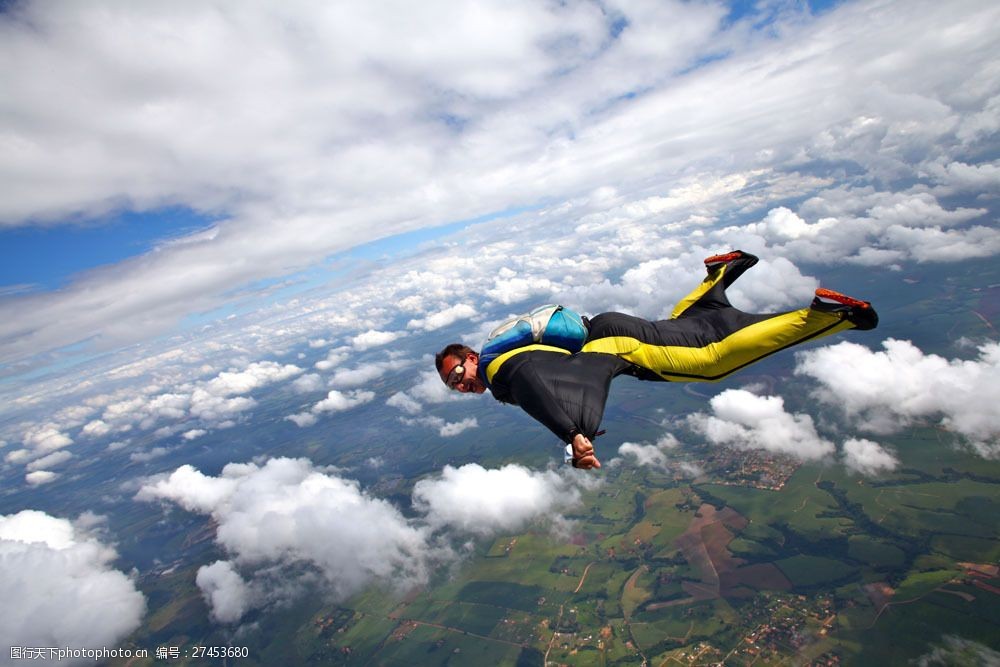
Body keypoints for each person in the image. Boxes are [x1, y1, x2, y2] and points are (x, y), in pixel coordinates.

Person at [435, 251, 877, 470]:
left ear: (471, 358)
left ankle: (829, 315)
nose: (461, 385)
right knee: (689, 329)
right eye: (454, 386)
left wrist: (571, 433)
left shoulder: (499, 369)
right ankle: (718, 278)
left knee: (712, 360)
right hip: (607, 329)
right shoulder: (499, 356)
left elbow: (531, 380)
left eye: (458, 373)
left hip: (615, 344)